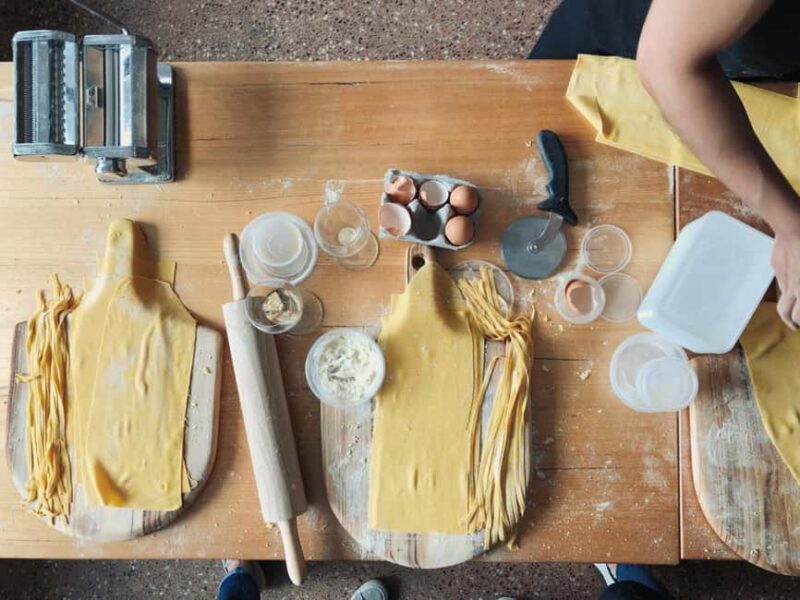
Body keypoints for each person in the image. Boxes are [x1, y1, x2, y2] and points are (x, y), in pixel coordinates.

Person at [531, 0, 800, 330]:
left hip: (766, 57)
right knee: (528, 110)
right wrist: (792, 227)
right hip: (631, 40)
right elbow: (666, 66)